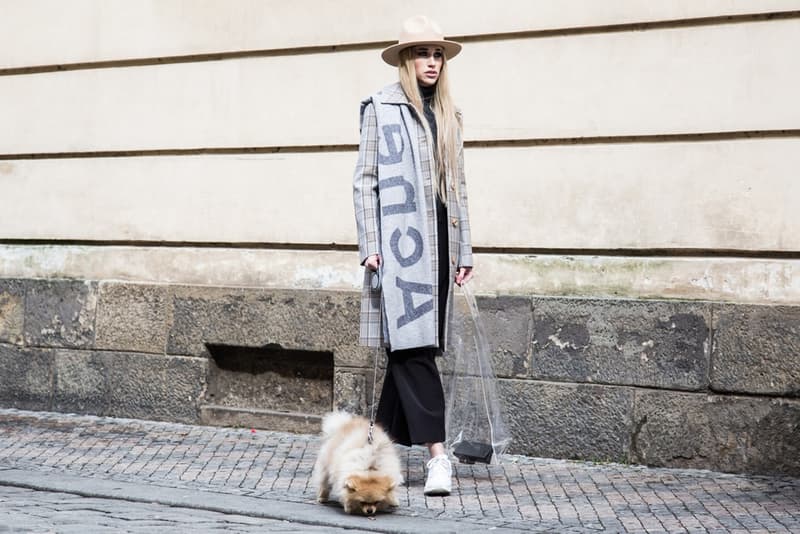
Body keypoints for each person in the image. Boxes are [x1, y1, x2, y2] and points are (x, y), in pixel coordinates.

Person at [352, 15, 473, 497]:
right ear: (407, 59)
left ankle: (372, 455)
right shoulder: (380, 109)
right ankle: (438, 456)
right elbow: (365, 181)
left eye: (438, 54)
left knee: (411, 345)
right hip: (400, 245)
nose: (432, 62)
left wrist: (464, 249)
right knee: (411, 346)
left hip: (440, 243)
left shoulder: (449, 114)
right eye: (423, 53)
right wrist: (370, 244)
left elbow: (458, 187)